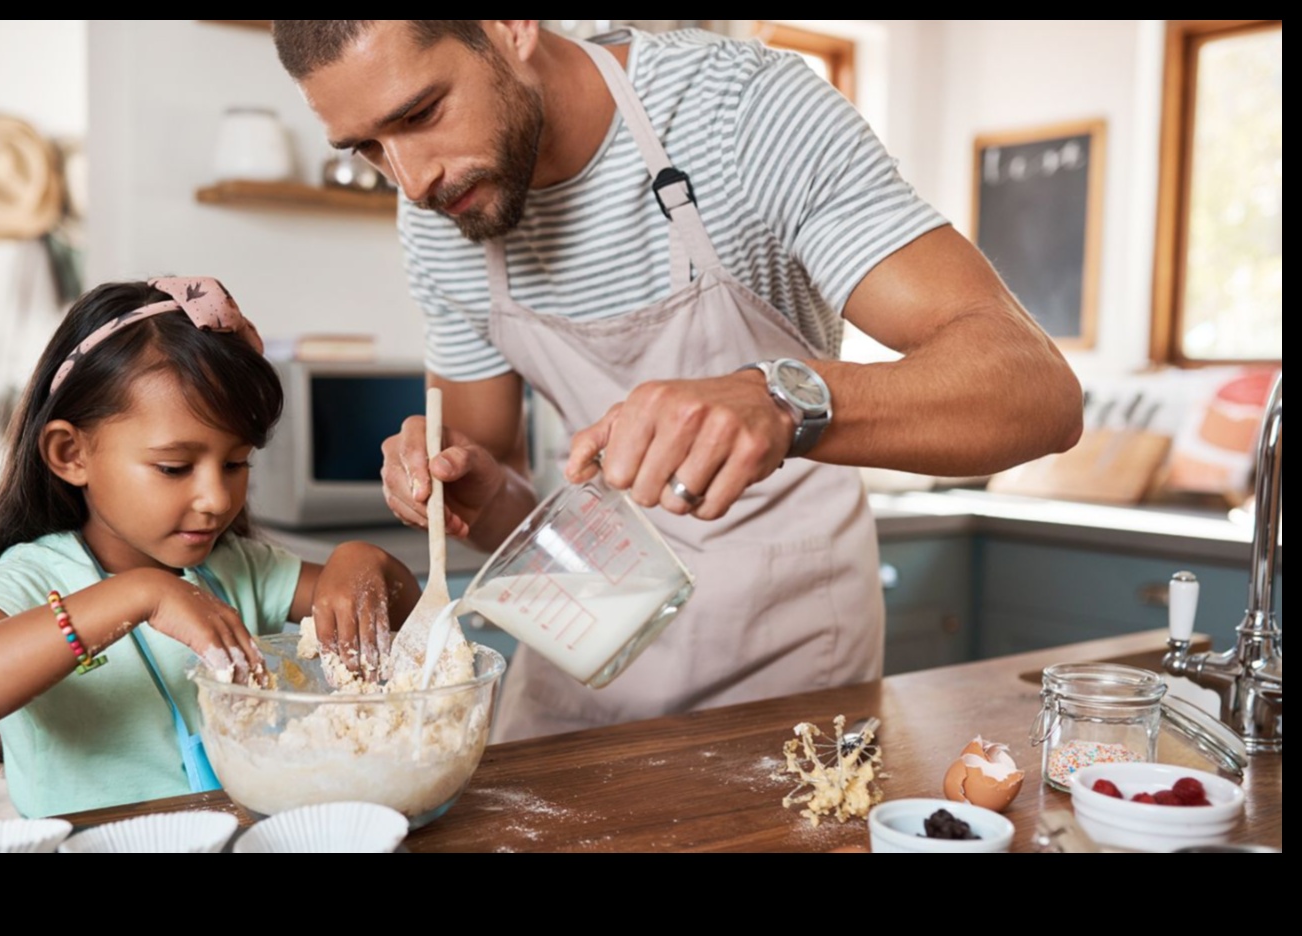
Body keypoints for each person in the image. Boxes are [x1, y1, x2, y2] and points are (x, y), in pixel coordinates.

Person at [271, 21, 1084, 741]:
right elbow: (500, 490)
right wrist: (464, 486)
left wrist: (780, 399)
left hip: (785, 650)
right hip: (583, 632)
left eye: (419, 114)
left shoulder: (739, 112)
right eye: (370, 148)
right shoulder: (442, 211)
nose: (410, 181)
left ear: (511, 26)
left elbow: (1038, 392)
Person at [0, 278, 419, 817]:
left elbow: (407, 616)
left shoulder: (239, 569)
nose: (217, 498)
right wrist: (140, 595)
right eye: (174, 467)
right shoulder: (34, 578)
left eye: (236, 463)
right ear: (70, 453)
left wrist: (365, 560)